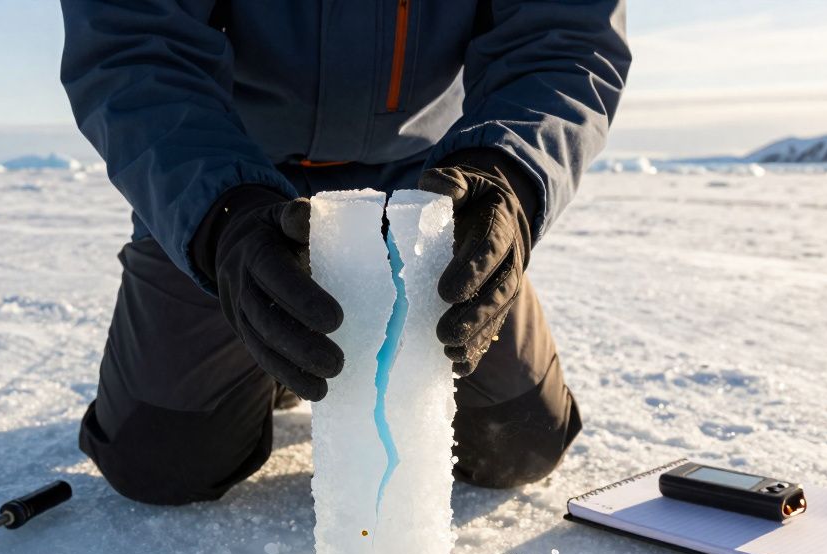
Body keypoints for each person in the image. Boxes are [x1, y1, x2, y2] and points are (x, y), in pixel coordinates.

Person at [60, 0, 630, 505]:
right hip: (232, 188)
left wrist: (506, 176)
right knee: (163, 458)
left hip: (429, 190)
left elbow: (562, 42)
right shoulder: (226, 204)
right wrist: (219, 221)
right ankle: (260, 358)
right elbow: (134, 50)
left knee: (518, 440)